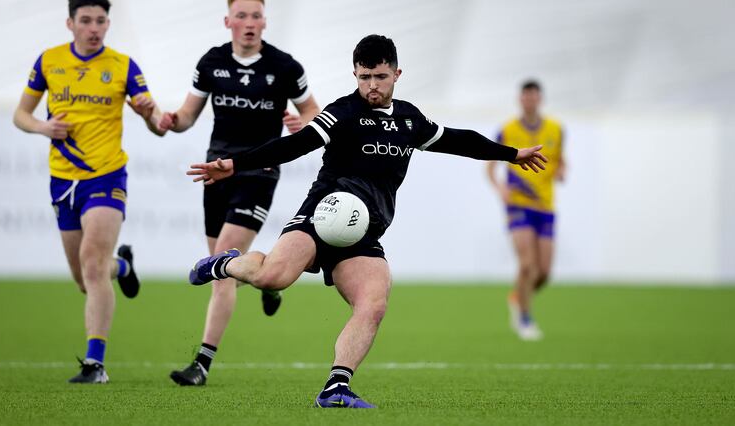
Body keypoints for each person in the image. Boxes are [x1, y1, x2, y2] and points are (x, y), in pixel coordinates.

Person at [185, 35, 548, 408]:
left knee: (373, 302)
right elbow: (295, 144)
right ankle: (224, 263)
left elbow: (458, 140)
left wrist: (511, 155)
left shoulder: (410, 119)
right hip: (320, 216)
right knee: (273, 277)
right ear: (355, 75)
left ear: (396, 73)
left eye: (379, 76)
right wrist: (236, 163)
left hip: (364, 231)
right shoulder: (342, 112)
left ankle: (335, 388)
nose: (371, 85)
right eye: (364, 77)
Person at [161, 0, 320, 387]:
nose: (249, 23)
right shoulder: (211, 63)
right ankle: (269, 281)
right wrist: (165, 120)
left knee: (221, 264)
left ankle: (201, 364)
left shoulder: (285, 67)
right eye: (242, 16)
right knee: (225, 265)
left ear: (265, 22)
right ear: (228, 21)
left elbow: (314, 112)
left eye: (256, 16)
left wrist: (305, 125)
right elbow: (186, 116)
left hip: (260, 172)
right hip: (216, 171)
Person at [13, 0, 165, 383]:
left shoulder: (122, 65)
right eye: (86, 21)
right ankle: (125, 265)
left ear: (107, 24)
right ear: (70, 23)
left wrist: (151, 115)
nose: (94, 28)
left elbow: (157, 123)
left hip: (106, 176)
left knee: (93, 265)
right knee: (85, 279)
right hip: (63, 181)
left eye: (100, 21)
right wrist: (43, 126)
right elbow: (21, 115)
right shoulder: (49, 61)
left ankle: (95, 364)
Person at [486, 80, 565, 341]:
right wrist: (501, 189)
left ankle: (517, 297)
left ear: (540, 99)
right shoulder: (508, 130)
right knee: (528, 264)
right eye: (525, 96)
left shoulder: (555, 129)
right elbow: (490, 166)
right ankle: (525, 318)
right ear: (520, 99)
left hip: (545, 205)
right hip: (518, 204)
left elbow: (560, 160)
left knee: (543, 272)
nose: (530, 100)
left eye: (534, 96)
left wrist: (562, 170)